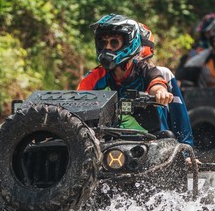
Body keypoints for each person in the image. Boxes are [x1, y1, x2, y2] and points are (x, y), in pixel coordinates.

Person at [78, 14, 194, 147]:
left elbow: (156, 83)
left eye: (114, 42)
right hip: (106, 143)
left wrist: (160, 93)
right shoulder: (95, 75)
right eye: (103, 43)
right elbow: (79, 99)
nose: (107, 47)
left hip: (150, 141)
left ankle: (185, 149)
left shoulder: (145, 70)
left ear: (129, 43)